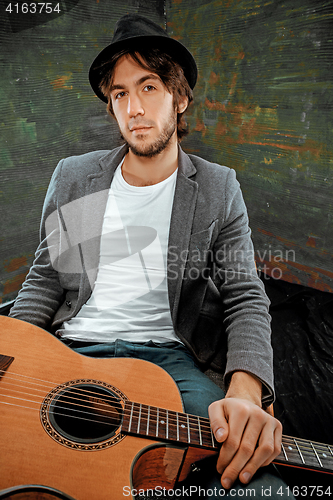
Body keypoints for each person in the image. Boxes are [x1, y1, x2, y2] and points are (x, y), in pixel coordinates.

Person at [9, 14, 291, 499]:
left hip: (170, 367)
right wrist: (11, 354)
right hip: (69, 353)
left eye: (149, 87)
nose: (134, 107)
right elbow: (45, 279)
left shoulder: (218, 189)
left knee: (255, 485)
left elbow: (245, 294)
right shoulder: (76, 178)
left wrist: (245, 393)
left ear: (179, 98)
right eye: (120, 94)